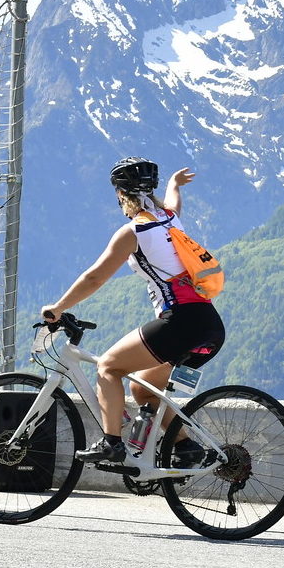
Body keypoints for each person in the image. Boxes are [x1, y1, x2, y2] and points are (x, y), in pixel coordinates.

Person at [41, 158, 223, 470]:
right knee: (141, 388)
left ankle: (111, 443)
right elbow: (175, 204)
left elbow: (94, 278)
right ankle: (187, 448)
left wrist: (58, 308)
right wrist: (174, 186)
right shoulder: (169, 218)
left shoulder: (133, 232)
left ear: (120, 195)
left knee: (110, 366)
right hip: (209, 326)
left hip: (181, 321)